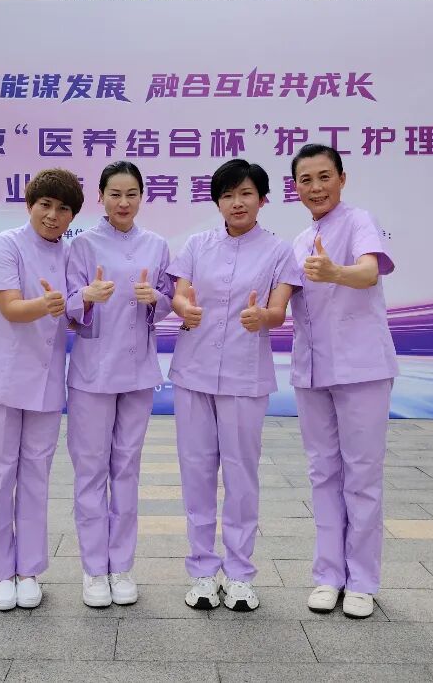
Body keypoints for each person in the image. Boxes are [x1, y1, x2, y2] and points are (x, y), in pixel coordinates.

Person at [167, 159, 303, 612]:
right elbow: (179, 293)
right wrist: (183, 307)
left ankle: (241, 573)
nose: (237, 203)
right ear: (217, 202)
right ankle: (202, 572)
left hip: (245, 375)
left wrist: (262, 316)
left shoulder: (279, 251)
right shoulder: (197, 245)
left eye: (246, 194)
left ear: (262, 199)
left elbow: (279, 311)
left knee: (242, 474)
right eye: (227, 195)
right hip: (194, 371)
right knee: (196, 472)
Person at [0, 168, 85, 611]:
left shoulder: (70, 253)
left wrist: (88, 300)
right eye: (45, 205)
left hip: (45, 380)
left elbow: (74, 312)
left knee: (35, 473)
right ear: (29, 205)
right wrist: (48, 304)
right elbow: (11, 308)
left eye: (63, 208)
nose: (53, 215)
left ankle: (28, 570)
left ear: (73, 216)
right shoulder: (6, 244)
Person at [288, 143, 398, 619]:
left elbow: (369, 272)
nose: (316, 187)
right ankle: (328, 575)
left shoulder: (358, 222)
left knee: (362, 474)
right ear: (296, 188)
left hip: (361, 368)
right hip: (312, 371)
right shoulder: (298, 241)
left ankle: (362, 581)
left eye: (324, 177)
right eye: (306, 180)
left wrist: (335, 271)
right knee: (323, 473)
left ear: (342, 178)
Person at [64, 160, 174, 608]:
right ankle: (94, 569)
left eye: (131, 194)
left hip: (138, 371)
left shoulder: (157, 244)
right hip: (92, 372)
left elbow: (169, 301)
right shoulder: (82, 245)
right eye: (115, 194)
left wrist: (157, 299)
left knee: (127, 468)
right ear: (101, 197)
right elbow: (69, 308)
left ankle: (122, 566)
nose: (123, 202)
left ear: (142, 197)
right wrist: (85, 298)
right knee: (91, 469)